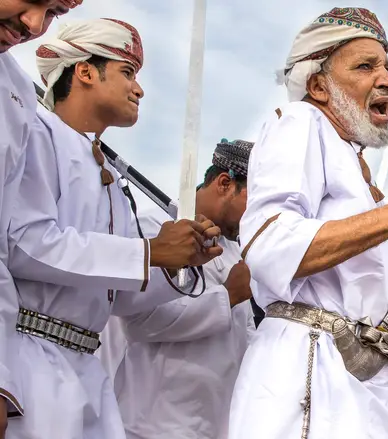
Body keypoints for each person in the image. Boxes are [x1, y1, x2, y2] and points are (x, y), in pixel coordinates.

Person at [230, 7, 388, 439]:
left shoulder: (355, 168)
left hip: (360, 382)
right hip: (304, 374)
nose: (387, 79)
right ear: (318, 85)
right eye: (365, 66)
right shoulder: (301, 122)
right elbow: (267, 245)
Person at [6, 18, 222, 439]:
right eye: (127, 73)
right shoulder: (34, 134)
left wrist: (180, 262)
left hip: (89, 374)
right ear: (85, 71)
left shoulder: (109, 177)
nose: (138, 89)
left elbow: (121, 300)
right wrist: (150, 253)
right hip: (27, 362)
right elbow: (23, 243)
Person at [99, 139, 255, 439]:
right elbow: (140, 323)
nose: (258, 216)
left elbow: (244, 341)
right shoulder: (155, 227)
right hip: (151, 426)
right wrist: (228, 296)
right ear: (225, 183)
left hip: (214, 427)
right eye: (256, 201)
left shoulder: (235, 252)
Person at [0, 1, 82, 435]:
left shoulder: (14, 87)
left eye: (52, 12)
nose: (34, 24)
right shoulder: (45, 132)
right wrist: (144, 255)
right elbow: (26, 241)